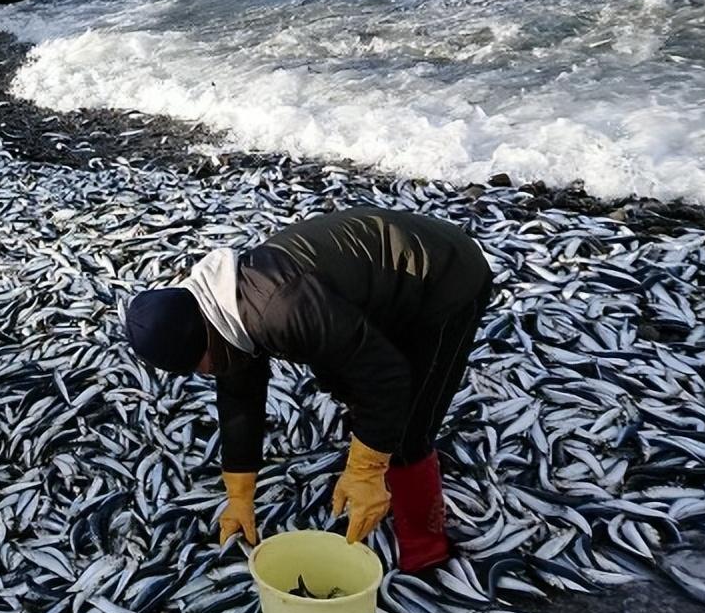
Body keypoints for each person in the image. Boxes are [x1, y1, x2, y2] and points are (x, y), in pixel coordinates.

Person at [124, 207, 492, 572]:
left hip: (445, 279)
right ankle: (382, 446)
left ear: (203, 336)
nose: (202, 373)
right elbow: (240, 396)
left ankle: (426, 548)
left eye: (196, 364)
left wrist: (367, 469)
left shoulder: (280, 309)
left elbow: (386, 375)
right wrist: (239, 493)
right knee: (350, 381)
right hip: (380, 285)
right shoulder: (222, 311)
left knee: (410, 422)